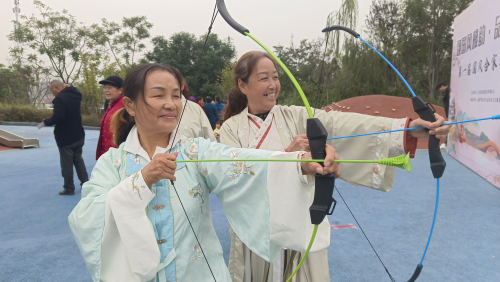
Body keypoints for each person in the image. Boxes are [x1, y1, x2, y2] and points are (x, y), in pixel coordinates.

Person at [68, 63, 339, 281]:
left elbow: (245, 161)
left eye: (177, 95)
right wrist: (141, 182)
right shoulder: (112, 163)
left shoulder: (194, 151)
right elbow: (86, 218)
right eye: (158, 94)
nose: (171, 104)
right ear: (130, 105)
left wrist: (300, 162)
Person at [220, 51, 451, 282]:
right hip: (256, 233)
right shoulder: (231, 128)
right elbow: (234, 178)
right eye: (263, 78)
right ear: (242, 85)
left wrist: (405, 129)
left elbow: (340, 124)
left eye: (276, 77)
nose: (273, 85)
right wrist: (290, 157)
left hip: (300, 226)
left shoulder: (295, 115)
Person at [42, 80, 88, 195]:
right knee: (78, 160)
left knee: (66, 164)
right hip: (78, 134)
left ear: (57, 88)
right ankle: (86, 184)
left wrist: (46, 122)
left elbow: (58, 117)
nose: (52, 93)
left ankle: (69, 188)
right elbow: (77, 91)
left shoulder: (60, 99)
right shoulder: (76, 94)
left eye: (52, 90)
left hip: (66, 137)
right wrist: (70, 86)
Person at [96, 76, 124, 160]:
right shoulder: (111, 104)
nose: (106, 90)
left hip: (118, 155)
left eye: (110, 87)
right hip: (108, 152)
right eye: (105, 88)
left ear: (120, 90)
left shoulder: (124, 106)